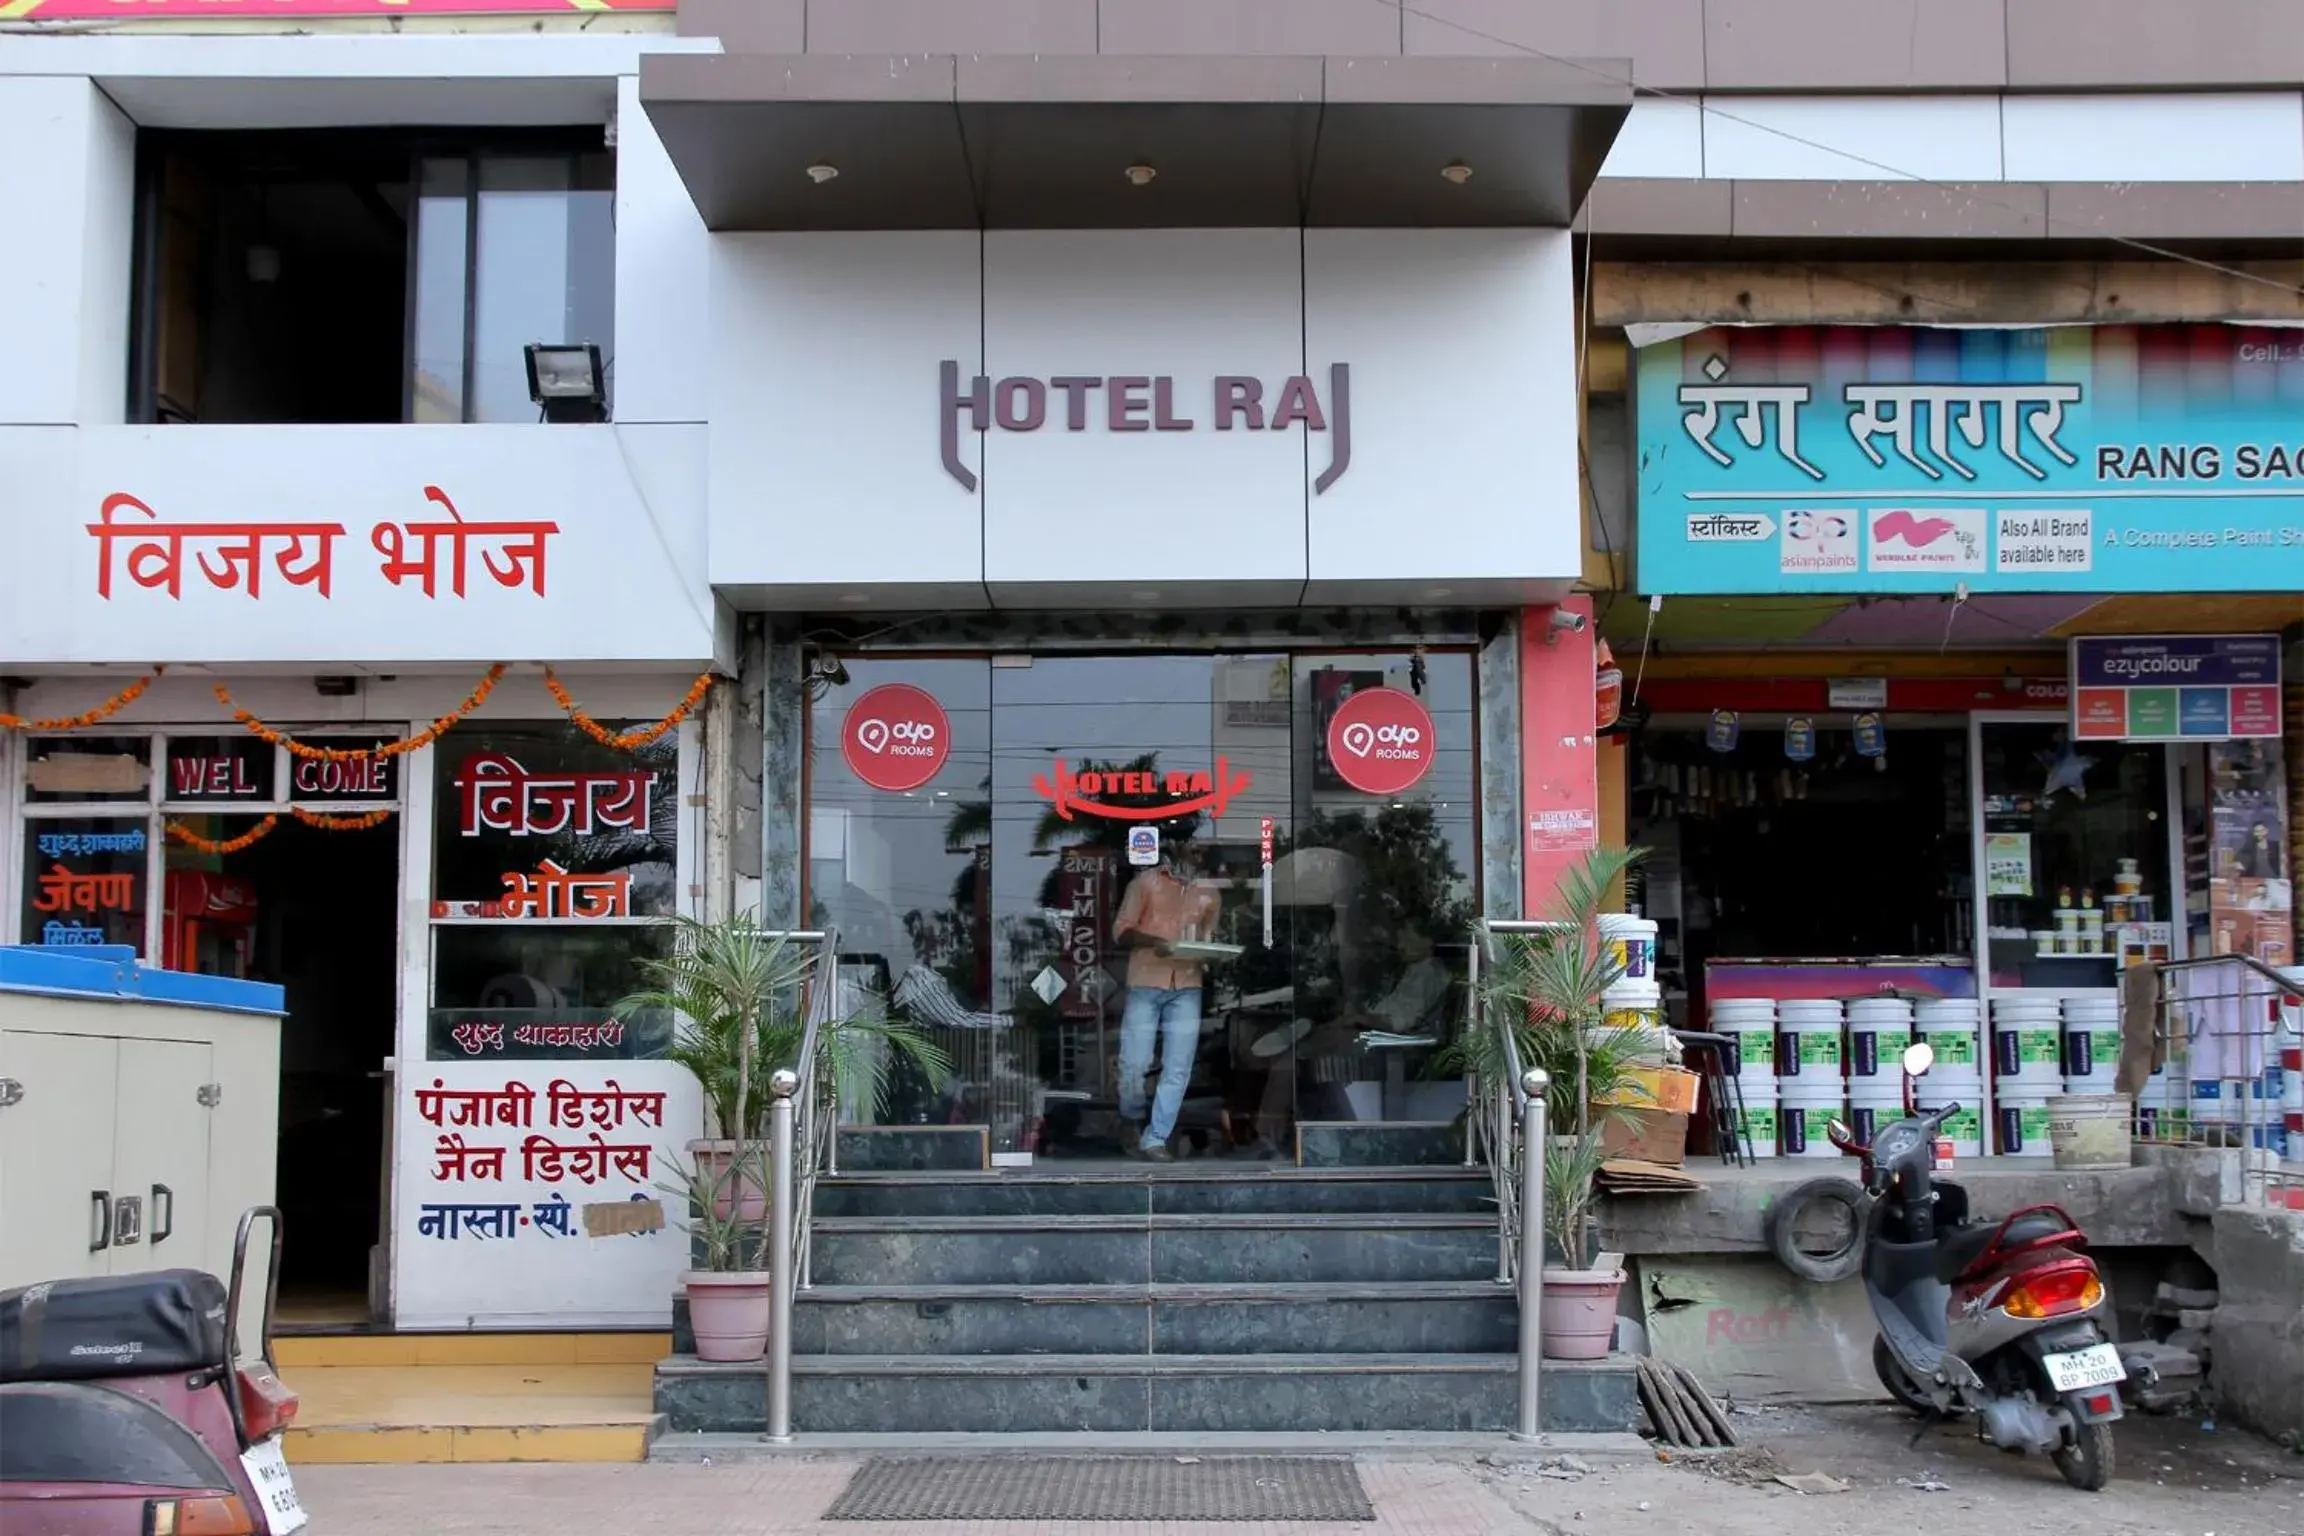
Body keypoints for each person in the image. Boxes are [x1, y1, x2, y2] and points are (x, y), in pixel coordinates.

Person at [1250, 922, 1452, 1152]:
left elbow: (1398, 1022)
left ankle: (1268, 1134)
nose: (1400, 944)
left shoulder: (1429, 973)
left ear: (1428, 942)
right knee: (1295, 1056)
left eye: (1407, 937)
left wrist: (1358, 1018)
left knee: (1290, 1059)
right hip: (1375, 1035)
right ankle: (1280, 1130)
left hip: (1388, 1042)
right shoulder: (1414, 971)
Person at [1112, 837, 1221, 1161]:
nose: (1200, 852)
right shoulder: (1145, 883)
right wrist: (1155, 942)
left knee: (1178, 1068)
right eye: (1195, 846)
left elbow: (1206, 941)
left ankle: (1155, 1138)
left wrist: (1212, 954)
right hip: (1146, 981)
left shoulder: (1211, 894)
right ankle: (1130, 1118)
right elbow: (1121, 932)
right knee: (1134, 1062)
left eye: (1205, 848)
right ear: (1178, 850)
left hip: (1188, 984)